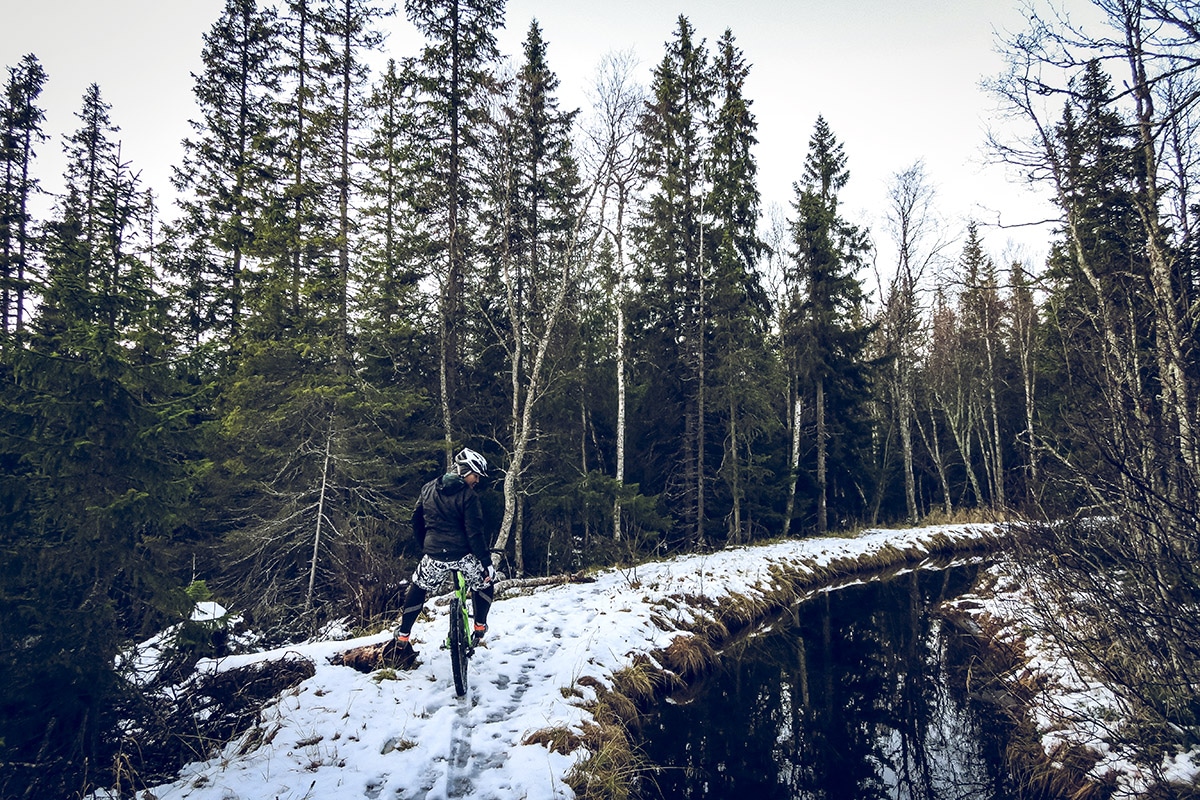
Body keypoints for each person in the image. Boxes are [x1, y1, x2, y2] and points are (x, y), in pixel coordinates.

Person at [394, 447, 496, 651]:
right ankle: (480, 625)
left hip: (434, 555)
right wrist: (486, 563)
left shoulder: (428, 489)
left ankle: (404, 634)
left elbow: (416, 521)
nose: (477, 481)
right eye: (475, 476)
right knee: (485, 582)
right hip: (464, 555)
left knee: (419, 587)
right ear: (465, 472)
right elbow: (474, 534)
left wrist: (426, 546)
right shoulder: (469, 497)